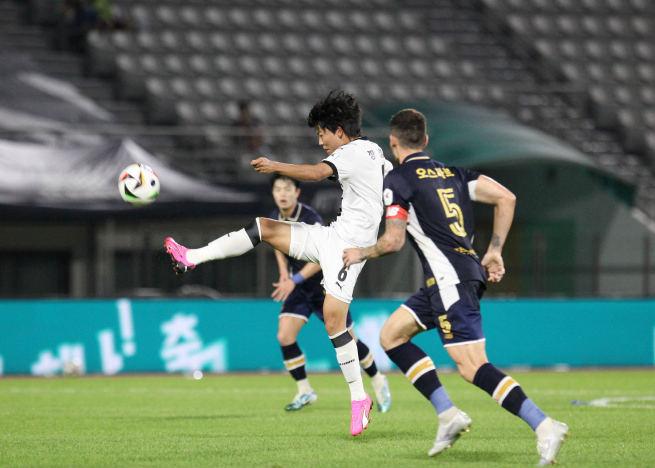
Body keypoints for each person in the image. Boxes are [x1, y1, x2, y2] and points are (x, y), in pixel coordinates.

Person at [342, 109, 569, 465]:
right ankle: (448, 415)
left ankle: (544, 425)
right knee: (392, 336)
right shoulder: (455, 174)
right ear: (426, 141)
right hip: (455, 276)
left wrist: (360, 253)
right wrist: (494, 250)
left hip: (450, 280)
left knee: (472, 366)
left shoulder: (399, 179)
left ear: (393, 142)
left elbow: (393, 242)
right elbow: (505, 198)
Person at [165, 90, 393, 436]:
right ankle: (192, 257)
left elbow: (317, 174)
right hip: (332, 236)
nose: (320, 141)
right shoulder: (374, 151)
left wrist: (273, 166)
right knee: (264, 227)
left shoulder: (351, 152)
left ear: (339, 131)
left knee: (335, 322)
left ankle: (359, 397)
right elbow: (393, 183)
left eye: (321, 133)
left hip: (350, 249)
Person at [268, 174, 391, 412]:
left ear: (297, 192)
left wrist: (293, 279)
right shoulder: (275, 217)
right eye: (277, 189)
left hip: (324, 285)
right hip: (298, 287)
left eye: (287, 189)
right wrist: (284, 272)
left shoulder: (309, 218)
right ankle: (305, 391)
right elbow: (277, 245)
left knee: (350, 340)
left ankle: (378, 380)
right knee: (284, 336)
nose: (282, 194)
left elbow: (322, 258)